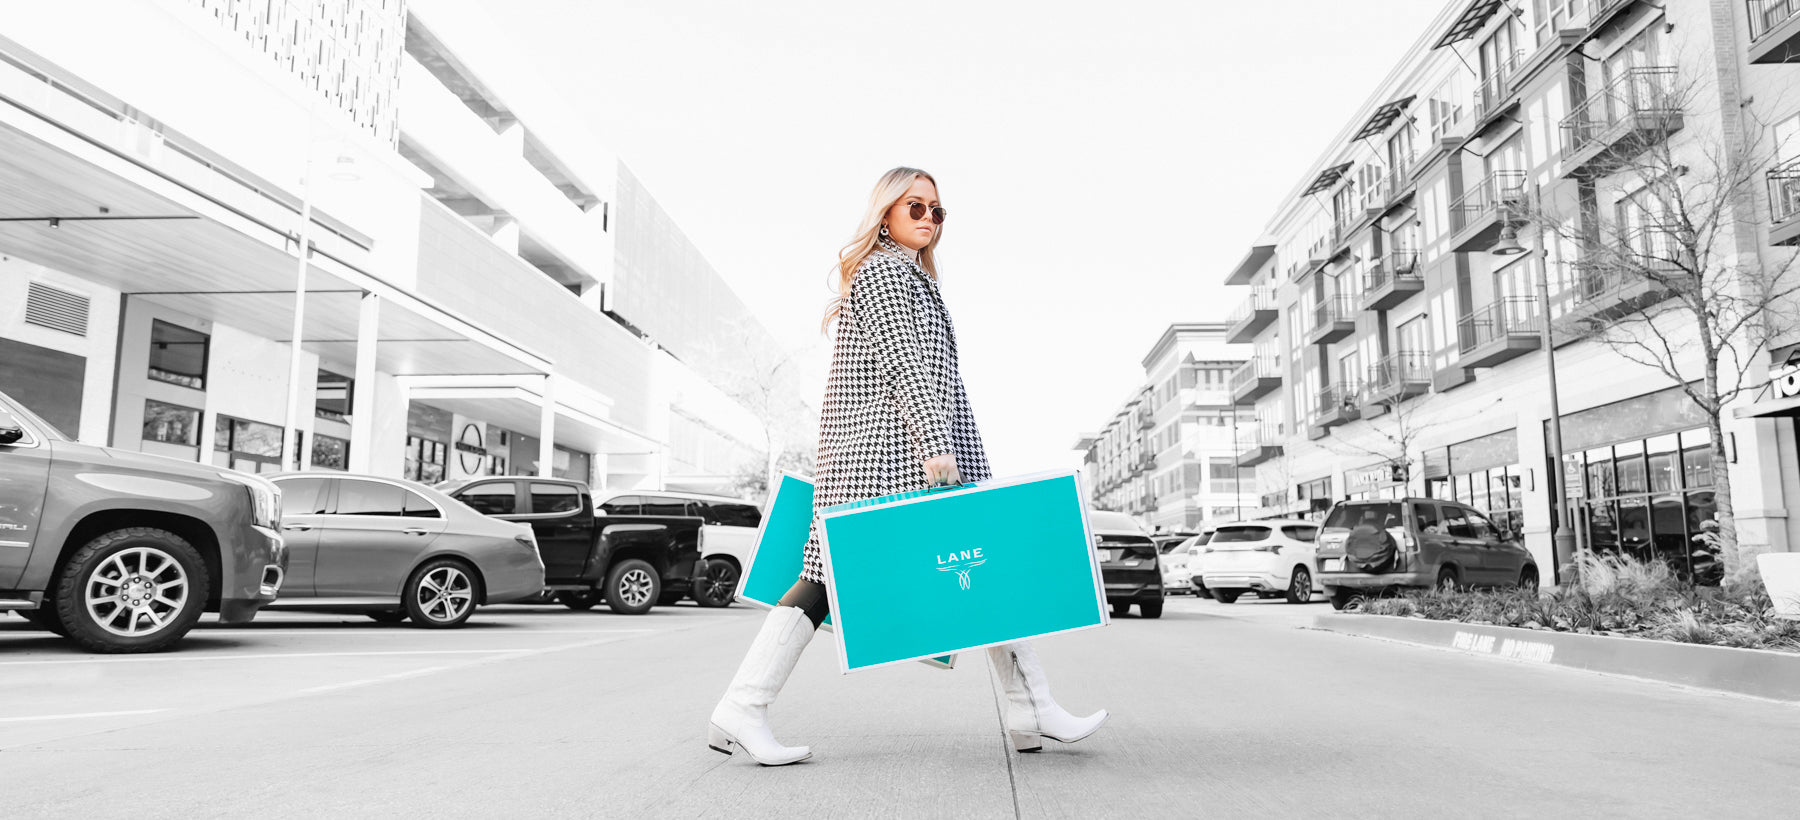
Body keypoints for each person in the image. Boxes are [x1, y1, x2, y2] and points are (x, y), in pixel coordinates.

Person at [706, 167, 1108, 766]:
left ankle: (1031, 706)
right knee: (837, 579)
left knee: (967, 567)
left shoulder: (906, 278)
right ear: (885, 213)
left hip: (890, 452)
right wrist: (936, 446)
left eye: (937, 211)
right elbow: (909, 368)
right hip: (895, 456)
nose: (927, 218)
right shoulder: (887, 275)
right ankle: (743, 704)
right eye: (914, 206)